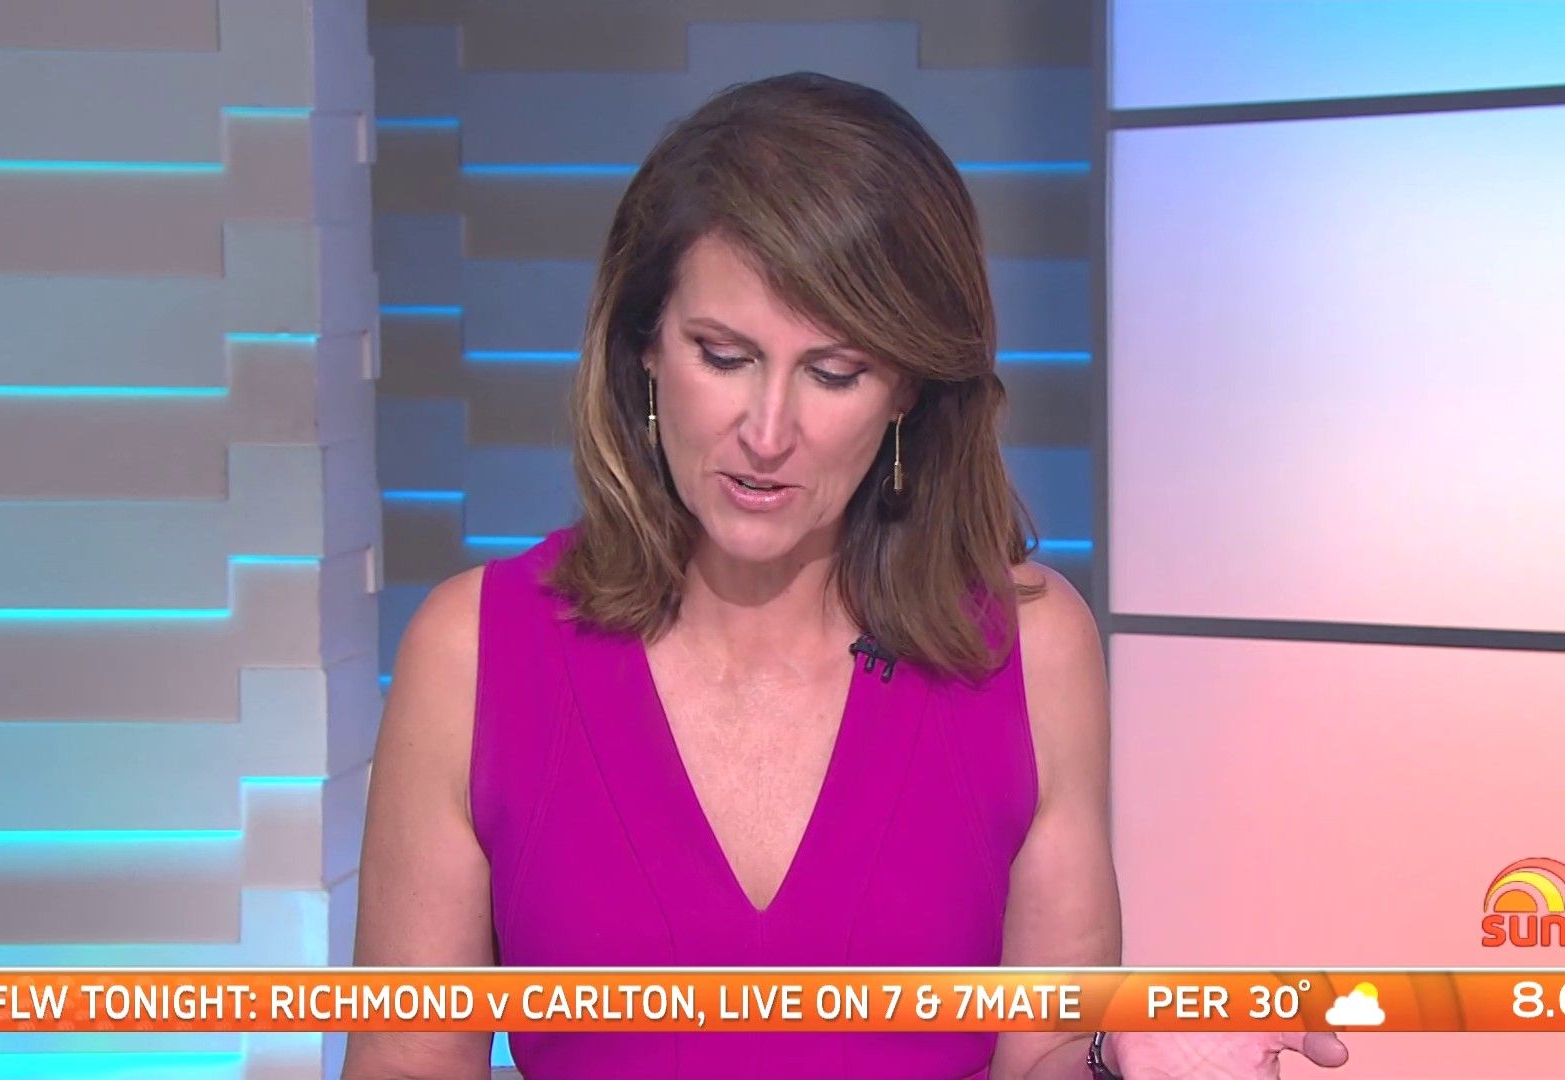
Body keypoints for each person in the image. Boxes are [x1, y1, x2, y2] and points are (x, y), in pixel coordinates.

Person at [344, 71, 1349, 1080]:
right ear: (645, 345)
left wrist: (1118, 1058)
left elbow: (1042, 1054)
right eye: (723, 356)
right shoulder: (476, 654)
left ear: (907, 387)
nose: (768, 432)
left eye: (835, 373)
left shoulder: (1030, 652)